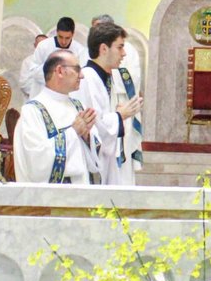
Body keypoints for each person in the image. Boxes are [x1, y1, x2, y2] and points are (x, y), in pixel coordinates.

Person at [13, 49, 97, 185]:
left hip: (82, 189)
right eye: (77, 69)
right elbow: (35, 160)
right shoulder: (33, 111)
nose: (82, 75)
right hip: (51, 195)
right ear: (59, 71)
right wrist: (73, 132)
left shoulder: (78, 106)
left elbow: (95, 157)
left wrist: (87, 137)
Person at [78, 21, 143, 186]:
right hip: (91, 166)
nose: (124, 53)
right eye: (120, 47)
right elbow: (94, 126)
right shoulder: (88, 78)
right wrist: (120, 116)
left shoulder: (106, 78)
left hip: (105, 163)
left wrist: (118, 114)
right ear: (103, 49)